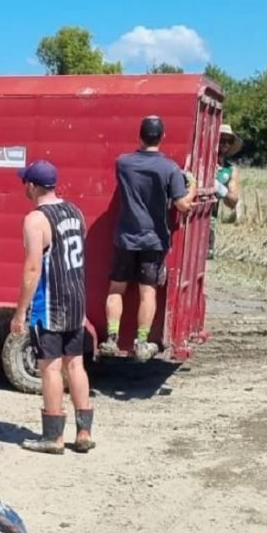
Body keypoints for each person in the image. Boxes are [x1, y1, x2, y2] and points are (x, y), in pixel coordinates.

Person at [10, 159, 94, 455]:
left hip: (51, 305)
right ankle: (84, 433)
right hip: (77, 300)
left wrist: (20, 312)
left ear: (32, 186)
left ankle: (53, 437)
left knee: (51, 369)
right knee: (77, 366)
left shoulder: (35, 219)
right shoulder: (75, 212)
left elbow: (33, 269)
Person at [99, 115, 196, 363]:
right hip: (153, 241)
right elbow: (183, 205)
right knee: (147, 292)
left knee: (116, 289)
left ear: (139, 136)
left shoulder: (123, 163)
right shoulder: (170, 169)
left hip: (125, 238)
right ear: (163, 137)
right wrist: (192, 184)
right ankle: (141, 341)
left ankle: (111, 338)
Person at [210, 125, 242, 258]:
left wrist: (221, 189)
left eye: (229, 141)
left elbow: (233, 201)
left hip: (210, 221)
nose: (225, 144)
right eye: (222, 139)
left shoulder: (230, 170)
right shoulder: (201, 161)